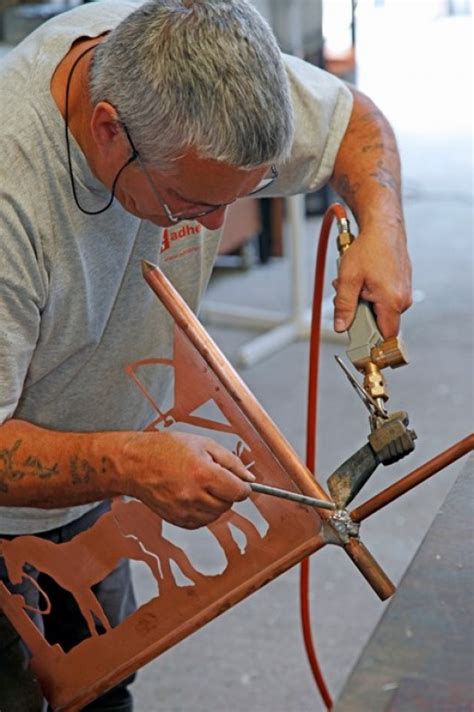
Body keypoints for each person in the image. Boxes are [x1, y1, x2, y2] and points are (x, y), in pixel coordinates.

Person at [0, 0, 412, 709]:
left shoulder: (200, 67)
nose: (219, 227)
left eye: (243, 194)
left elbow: (353, 122)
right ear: (108, 131)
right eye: (192, 200)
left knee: (99, 681)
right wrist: (131, 462)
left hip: (93, 481)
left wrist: (383, 223)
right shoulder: (15, 199)